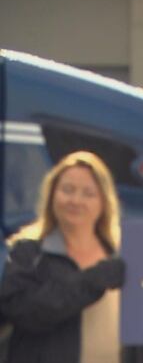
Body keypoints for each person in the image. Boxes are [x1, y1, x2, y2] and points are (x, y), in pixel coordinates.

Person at [0, 151, 125, 363]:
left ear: (104, 202)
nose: (76, 200)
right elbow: (23, 312)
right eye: (67, 190)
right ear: (52, 195)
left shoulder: (122, 255)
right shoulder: (28, 253)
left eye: (88, 193)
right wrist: (91, 281)